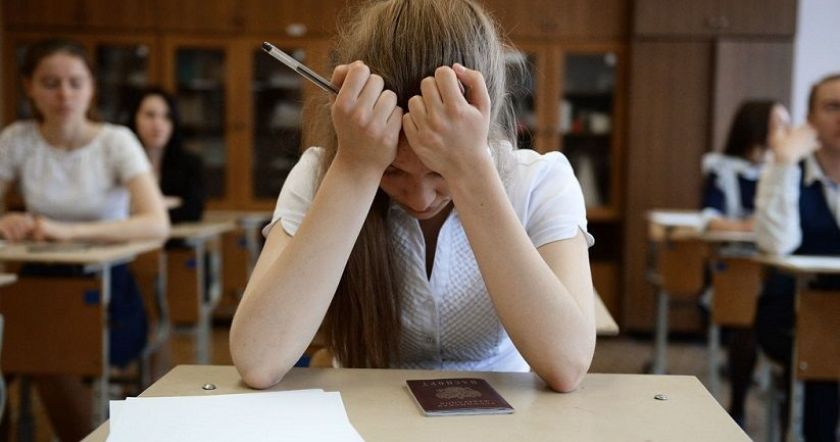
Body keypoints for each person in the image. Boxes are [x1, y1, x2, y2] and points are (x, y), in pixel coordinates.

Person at [230, 0, 596, 392]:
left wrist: (471, 172)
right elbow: (258, 361)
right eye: (392, 171)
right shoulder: (320, 174)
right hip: (360, 408)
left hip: (506, 413)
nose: (419, 199)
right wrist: (356, 168)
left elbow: (566, 365)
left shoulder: (541, 181)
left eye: (439, 172)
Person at [0, 38, 169, 440]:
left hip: (108, 288)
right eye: (50, 83)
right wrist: (5, 220)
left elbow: (156, 223)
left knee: (41, 351)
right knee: (22, 344)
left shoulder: (116, 141)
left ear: (92, 87)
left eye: (75, 83)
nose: (64, 95)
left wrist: (67, 231)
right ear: (28, 87)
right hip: (36, 282)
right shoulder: (18, 139)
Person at [755, 73, 840, 442]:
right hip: (794, 310)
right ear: (810, 119)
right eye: (833, 107)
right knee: (823, 348)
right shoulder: (787, 169)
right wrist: (784, 162)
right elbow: (778, 244)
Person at [700, 100, 788, 426]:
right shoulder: (722, 168)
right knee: (746, 319)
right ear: (756, 127)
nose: (786, 131)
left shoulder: (788, 169)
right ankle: (738, 401)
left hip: (779, 266)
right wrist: (753, 226)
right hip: (737, 264)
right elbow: (711, 219)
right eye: (778, 123)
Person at [126, 87, 206, 223]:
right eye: (150, 115)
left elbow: (193, 211)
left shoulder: (190, 163)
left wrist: (144, 207)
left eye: (166, 117)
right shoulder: (121, 160)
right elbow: (116, 209)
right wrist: (169, 202)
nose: (158, 124)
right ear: (134, 118)